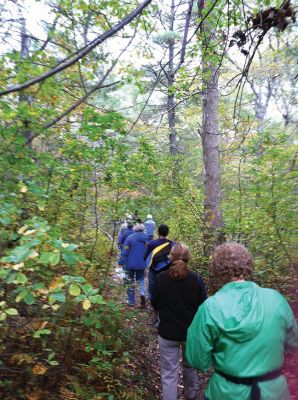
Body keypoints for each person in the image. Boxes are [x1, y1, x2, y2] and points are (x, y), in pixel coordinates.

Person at [186, 242, 298, 400]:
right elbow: (294, 344)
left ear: (217, 270)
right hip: (274, 392)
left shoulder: (210, 307)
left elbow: (197, 360)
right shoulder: (276, 299)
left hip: (226, 393)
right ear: (248, 265)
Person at [151, 243, 207, 400]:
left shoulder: (161, 278)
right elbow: (204, 305)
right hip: (191, 334)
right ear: (189, 257)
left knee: (169, 373)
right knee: (190, 367)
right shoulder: (196, 279)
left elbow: (154, 301)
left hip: (167, 333)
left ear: (171, 257)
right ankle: (191, 395)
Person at [119, 224, 148, 307]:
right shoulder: (146, 239)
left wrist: (121, 262)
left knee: (130, 280)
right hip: (142, 263)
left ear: (135, 229)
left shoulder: (130, 238)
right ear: (143, 230)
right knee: (141, 279)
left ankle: (131, 301)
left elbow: (125, 251)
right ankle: (142, 293)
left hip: (130, 263)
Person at [144, 224, 172, 301]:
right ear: (167, 233)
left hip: (154, 270)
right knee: (165, 288)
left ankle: (154, 305)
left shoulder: (151, 244)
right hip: (167, 271)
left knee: (153, 289)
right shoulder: (171, 244)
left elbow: (146, 258)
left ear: (158, 232)